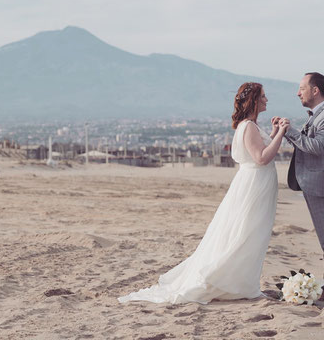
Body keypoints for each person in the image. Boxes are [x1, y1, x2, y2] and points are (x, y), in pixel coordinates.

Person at [118, 82, 288, 304]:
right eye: (263, 97)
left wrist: (274, 132)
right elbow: (261, 158)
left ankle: (244, 282)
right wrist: (282, 133)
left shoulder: (250, 126)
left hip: (255, 185)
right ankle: (233, 282)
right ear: (254, 100)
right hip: (253, 187)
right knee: (247, 233)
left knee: (252, 233)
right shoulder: (248, 126)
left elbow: (262, 151)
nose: (267, 100)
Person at [276, 72, 324, 301]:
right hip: (312, 183)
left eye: (302, 88)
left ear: (315, 90)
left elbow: (317, 147)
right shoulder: (319, 114)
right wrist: (286, 132)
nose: (298, 93)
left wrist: (290, 130)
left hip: (322, 185)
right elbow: (306, 145)